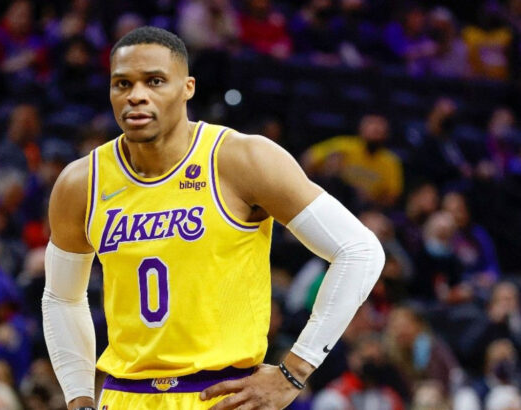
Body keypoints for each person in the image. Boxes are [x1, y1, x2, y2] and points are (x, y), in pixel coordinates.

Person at [42, 26, 384, 410]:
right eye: (122, 83)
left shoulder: (240, 159)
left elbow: (360, 250)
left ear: (187, 87)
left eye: (154, 81)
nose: (136, 95)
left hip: (224, 395)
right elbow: (61, 297)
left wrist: (294, 371)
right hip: (124, 395)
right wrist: (79, 398)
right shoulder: (81, 182)